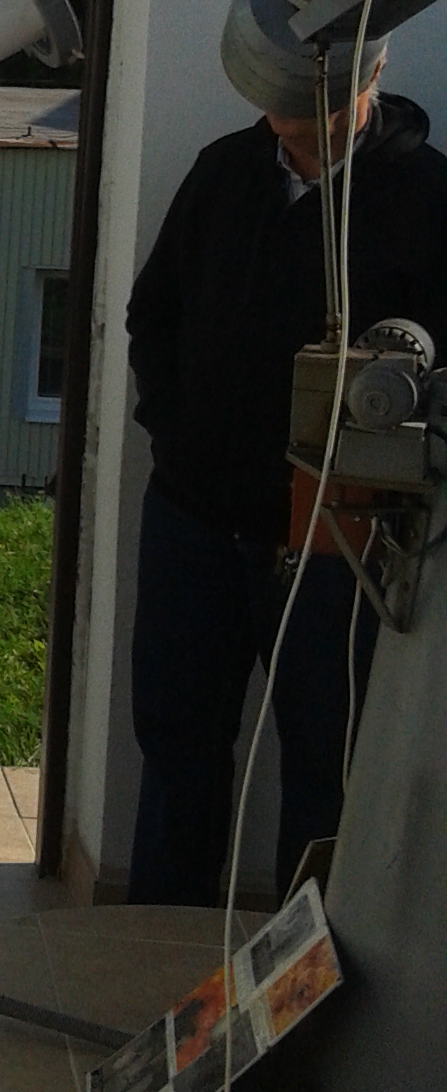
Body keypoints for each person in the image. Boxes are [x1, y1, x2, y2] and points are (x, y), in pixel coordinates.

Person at [125, 50, 447, 907]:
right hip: (194, 520)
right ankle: (152, 949)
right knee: (177, 745)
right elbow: (152, 313)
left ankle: (302, 966)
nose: (290, 126)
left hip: (337, 540)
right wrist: (178, 433)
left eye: (310, 109)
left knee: (325, 765)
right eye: (280, 107)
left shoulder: (425, 196)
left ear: (366, 80)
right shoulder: (225, 173)